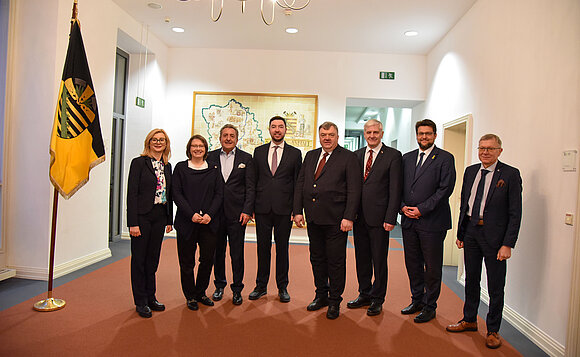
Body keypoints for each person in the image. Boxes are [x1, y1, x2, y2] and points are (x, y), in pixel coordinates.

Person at [446, 134, 522, 349]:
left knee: (496, 285)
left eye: (490, 148)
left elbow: (515, 213)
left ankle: (493, 330)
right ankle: (469, 319)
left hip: (496, 239)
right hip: (471, 232)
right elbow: (465, 205)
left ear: (500, 150)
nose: (485, 152)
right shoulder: (471, 171)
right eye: (481, 148)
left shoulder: (510, 174)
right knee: (471, 279)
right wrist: (461, 233)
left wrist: (508, 243)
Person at [293, 121, 362, 319]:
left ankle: (334, 301)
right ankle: (321, 295)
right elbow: (301, 184)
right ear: (319, 136)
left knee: (335, 261)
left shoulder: (348, 158)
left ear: (337, 136)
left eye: (331, 134)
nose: (327, 138)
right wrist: (298, 211)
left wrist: (349, 216)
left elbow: (354, 189)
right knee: (317, 259)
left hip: (336, 220)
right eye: (323, 134)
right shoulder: (311, 155)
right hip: (314, 219)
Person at [400, 119, 456, 323]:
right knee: (412, 263)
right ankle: (417, 300)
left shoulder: (445, 158)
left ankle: (430, 306)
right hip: (408, 221)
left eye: (428, 133)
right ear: (416, 135)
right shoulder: (406, 158)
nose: (424, 137)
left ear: (434, 135)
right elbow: (398, 186)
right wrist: (402, 206)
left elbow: (445, 190)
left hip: (432, 222)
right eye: (421, 133)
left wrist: (421, 210)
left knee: (432, 267)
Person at [347, 119, 402, 316]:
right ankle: (364, 293)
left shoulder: (393, 156)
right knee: (361, 258)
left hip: (380, 218)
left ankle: (378, 298)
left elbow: (395, 190)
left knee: (379, 259)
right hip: (358, 217)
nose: (372, 136)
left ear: (381, 133)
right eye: (368, 132)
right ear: (364, 133)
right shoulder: (357, 155)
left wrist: (391, 217)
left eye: (375, 132)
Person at [250, 116, 302, 303]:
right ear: (269, 129)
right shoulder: (258, 151)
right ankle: (261, 286)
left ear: (286, 130)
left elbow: (298, 183)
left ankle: (282, 287)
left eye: (280, 127)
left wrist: (297, 210)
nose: (277, 130)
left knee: (282, 249)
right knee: (262, 249)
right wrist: (251, 207)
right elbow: (253, 181)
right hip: (262, 209)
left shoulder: (295, 154)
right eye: (274, 127)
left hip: (284, 210)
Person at [173, 135, 224, 311]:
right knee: (187, 262)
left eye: (201, 146)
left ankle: (201, 292)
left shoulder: (213, 168)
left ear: (205, 149)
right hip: (187, 222)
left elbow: (219, 194)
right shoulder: (180, 168)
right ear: (189, 148)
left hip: (209, 223)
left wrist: (210, 214)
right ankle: (190, 296)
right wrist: (191, 214)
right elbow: (176, 194)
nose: (197, 149)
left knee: (207, 259)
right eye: (194, 146)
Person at [126, 129, 173, 318]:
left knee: (153, 260)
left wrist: (169, 220)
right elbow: (132, 194)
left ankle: (151, 297)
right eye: (155, 139)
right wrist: (133, 223)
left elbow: (169, 195)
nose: (158, 142)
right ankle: (140, 301)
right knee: (139, 260)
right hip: (142, 217)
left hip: (159, 215)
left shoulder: (167, 166)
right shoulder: (138, 163)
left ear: (166, 143)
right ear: (148, 142)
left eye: (162, 140)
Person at [208, 124, 255, 305]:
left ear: (237, 138)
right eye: (225, 135)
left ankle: (237, 289)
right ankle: (219, 286)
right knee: (217, 253)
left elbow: (250, 188)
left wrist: (247, 210)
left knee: (237, 253)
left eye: (232, 135)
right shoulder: (210, 156)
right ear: (220, 138)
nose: (228, 138)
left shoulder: (246, 158)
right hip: (215, 214)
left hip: (237, 214)